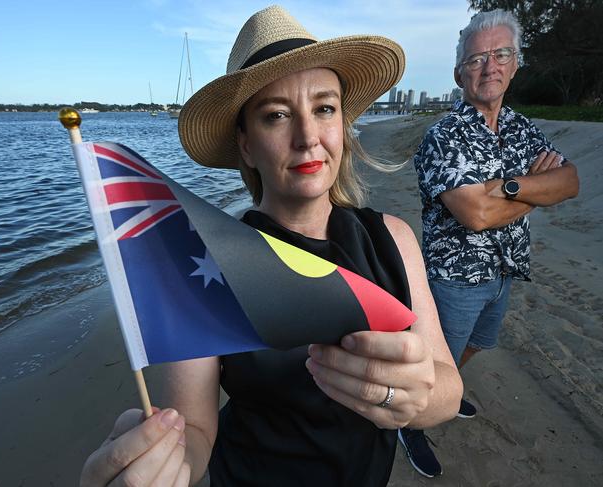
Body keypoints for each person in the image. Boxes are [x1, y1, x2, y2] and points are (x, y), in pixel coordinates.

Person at [79, 5, 463, 486]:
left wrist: (417, 400)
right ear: (245, 144)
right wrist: (159, 463)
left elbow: (448, 386)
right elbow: (194, 431)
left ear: (343, 125)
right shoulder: (207, 265)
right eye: (276, 115)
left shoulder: (392, 239)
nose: (307, 138)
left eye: (324, 108)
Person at [401, 9, 580, 478]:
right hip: (455, 279)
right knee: (432, 360)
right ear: (459, 71)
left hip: (505, 271)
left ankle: (449, 387)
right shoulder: (444, 135)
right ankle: (410, 424)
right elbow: (475, 215)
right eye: (478, 58)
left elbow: (570, 180)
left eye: (501, 54)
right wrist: (535, 190)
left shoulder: (522, 129)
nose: (490, 66)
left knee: (480, 343)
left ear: (516, 63)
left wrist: (511, 188)